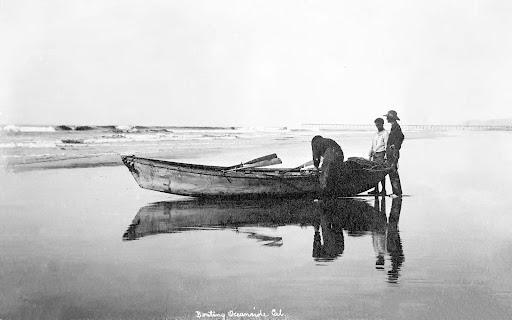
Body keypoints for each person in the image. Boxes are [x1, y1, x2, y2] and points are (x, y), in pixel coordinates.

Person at [383, 110, 404, 197]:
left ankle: (397, 192)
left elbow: (401, 137)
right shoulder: (394, 126)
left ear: (391, 118)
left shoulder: (396, 127)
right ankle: (396, 191)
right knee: (392, 171)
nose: (387, 119)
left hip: (393, 152)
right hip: (391, 152)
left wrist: (395, 146)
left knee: (393, 170)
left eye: (388, 117)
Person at [368, 117, 389, 195]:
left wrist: (386, 157)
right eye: (376, 125)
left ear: (382, 124)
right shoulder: (375, 134)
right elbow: (373, 145)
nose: (377, 126)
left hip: (381, 154)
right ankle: (376, 189)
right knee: (374, 172)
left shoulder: (385, 133)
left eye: (379, 125)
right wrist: (370, 154)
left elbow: (387, 145)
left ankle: (383, 190)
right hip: (375, 154)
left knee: (381, 172)